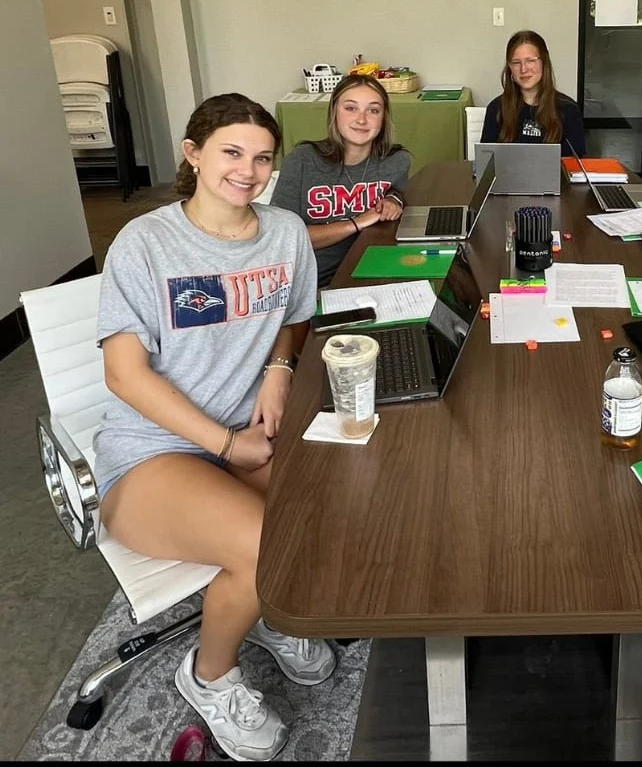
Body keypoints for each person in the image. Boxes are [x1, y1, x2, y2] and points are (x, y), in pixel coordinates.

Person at [95, 93, 334, 762]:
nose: (248, 170)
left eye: (262, 157)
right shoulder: (145, 242)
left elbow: (294, 313)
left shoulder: (284, 230)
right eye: (231, 152)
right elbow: (124, 375)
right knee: (266, 544)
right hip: (153, 452)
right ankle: (209, 672)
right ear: (194, 153)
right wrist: (227, 442)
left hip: (245, 432)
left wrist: (281, 367)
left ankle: (265, 612)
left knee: (329, 499)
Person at [272, 74, 412, 287]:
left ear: (383, 118)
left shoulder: (396, 160)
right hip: (312, 283)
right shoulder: (302, 160)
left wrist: (394, 200)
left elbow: (397, 191)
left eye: (373, 110)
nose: (362, 119)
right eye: (351, 108)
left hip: (373, 273)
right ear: (334, 112)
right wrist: (356, 223)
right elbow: (285, 238)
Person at [480, 29, 587, 156]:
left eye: (530, 61)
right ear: (510, 68)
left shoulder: (568, 110)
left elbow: (576, 166)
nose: (523, 69)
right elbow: (486, 163)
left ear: (544, 63)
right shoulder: (496, 108)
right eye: (516, 63)